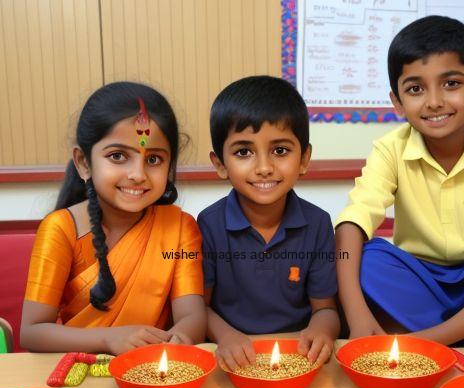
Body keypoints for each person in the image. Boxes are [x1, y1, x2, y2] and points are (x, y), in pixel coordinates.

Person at [336, 16, 464, 346]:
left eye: (451, 84)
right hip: (421, 279)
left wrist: (430, 339)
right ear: (397, 103)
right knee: (368, 256)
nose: (434, 101)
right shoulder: (390, 149)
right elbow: (353, 222)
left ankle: (434, 338)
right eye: (416, 89)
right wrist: (357, 315)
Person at [21, 82, 206, 354]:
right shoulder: (61, 229)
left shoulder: (180, 228)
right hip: (82, 374)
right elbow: (32, 332)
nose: (138, 174)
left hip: (154, 368)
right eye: (118, 156)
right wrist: (108, 339)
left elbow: (193, 316)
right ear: (84, 162)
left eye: (153, 159)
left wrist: (178, 339)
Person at [198, 76, 340, 371]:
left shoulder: (318, 223)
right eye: (243, 152)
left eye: (280, 151)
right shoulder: (209, 224)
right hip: (233, 357)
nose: (264, 168)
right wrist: (226, 336)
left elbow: (325, 308)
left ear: (304, 158)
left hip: (296, 356)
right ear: (220, 164)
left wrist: (322, 331)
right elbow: (201, 307)